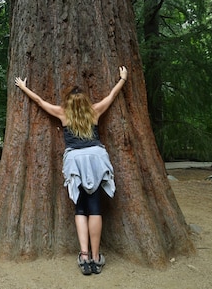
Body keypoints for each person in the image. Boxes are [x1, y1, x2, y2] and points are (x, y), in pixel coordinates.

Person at [14, 66, 128, 275]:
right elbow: (112, 95)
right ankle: (96, 257)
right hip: (95, 157)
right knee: (95, 206)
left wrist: (23, 87)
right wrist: (122, 79)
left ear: (68, 102)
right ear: (84, 102)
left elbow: (39, 101)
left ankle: (84, 257)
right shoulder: (94, 111)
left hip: (75, 159)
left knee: (80, 207)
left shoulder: (63, 113)